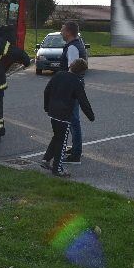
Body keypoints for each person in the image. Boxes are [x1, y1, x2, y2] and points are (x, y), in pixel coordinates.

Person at [41, 58, 95, 177]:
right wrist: (91, 116)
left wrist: (46, 107)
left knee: (56, 137)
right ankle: (58, 169)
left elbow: (47, 91)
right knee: (62, 142)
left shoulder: (59, 75)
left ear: (70, 65)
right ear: (82, 72)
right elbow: (83, 101)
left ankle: (46, 159)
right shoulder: (77, 82)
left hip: (52, 112)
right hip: (64, 115)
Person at [58, 21, 88, 164]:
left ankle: (76, 155)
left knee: (73, 121)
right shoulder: (76, 45)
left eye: (62, 30)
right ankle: (76, 149)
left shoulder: (72, 48)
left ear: (68, 32)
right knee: (73, 121)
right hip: (75, 87)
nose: (61, 32)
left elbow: (72, 70)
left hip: (71, 89)